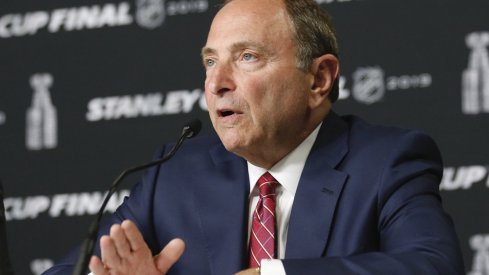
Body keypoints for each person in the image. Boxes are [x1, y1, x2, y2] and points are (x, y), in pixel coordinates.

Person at [44, 0, 464, 274]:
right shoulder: (173, 176)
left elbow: (433, 266)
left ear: (319, 78)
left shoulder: (386, 161)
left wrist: (272, 274)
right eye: (210, 62)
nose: (217, 83)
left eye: (247, 57)